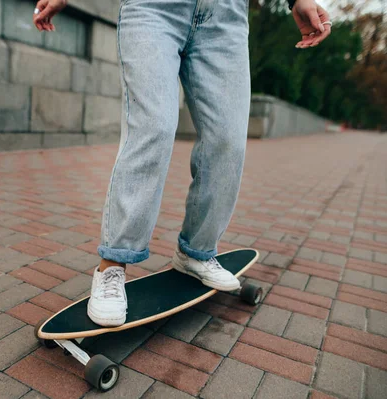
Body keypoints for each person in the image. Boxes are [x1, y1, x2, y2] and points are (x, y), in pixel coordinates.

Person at [33, 0, 331, 327]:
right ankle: (112, 265)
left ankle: (196, 253)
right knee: (153, 128)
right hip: (155, 8)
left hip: (225, 18)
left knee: (227, 141)